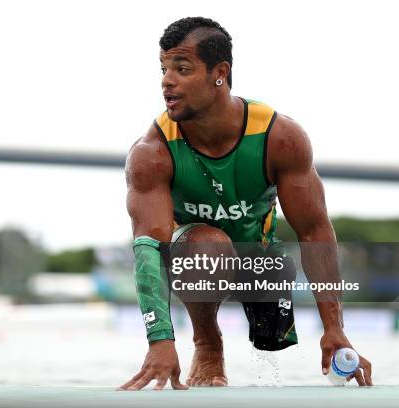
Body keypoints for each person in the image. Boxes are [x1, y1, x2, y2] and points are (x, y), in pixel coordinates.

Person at [119, 17, 373, 391]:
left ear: (220, 73)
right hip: (196, 261)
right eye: (164, 69)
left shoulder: (280, 137)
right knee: (209, 247)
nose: (166, 80)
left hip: (260, 262)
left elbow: (314, 230)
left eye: (182, 69)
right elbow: (148, 247)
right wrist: (160, 340)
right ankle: (207, 343)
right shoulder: (151, 152)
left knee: (273, 326)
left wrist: (334, 329)